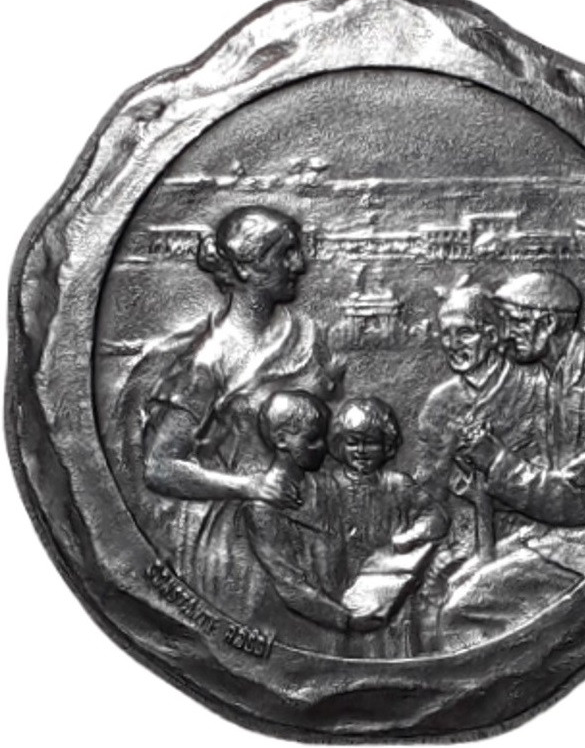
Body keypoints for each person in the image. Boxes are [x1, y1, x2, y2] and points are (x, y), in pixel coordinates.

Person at [110, 205, 342, 622]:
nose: (300, 265)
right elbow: (160, 467)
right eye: (285, 253)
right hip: (237, 544)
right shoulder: (208, 360)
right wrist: (250, 486)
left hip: (310, 525)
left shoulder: (309, 335)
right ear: (248, 268)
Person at [441, 270, 585, 646]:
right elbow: (541, 478)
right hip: (558, 535)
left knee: (462, 609)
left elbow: (575, 502)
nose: (503, 336)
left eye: (513, 323)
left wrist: (497, 460)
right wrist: (480, 466)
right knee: (455, 582)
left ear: (548, 324)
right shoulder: (551, 376)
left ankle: (506, 678)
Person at [414, 284, 546, 647]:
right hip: (461, 534)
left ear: (491, 335)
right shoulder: (439, 404)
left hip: (528, 534)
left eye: (465, 333)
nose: (453, 344)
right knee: (431, 598)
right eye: (446, 334)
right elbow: (428, 487)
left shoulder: (535, 389)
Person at [326, 396, 449, 657]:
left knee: (389, 642)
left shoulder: (398, 484)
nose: (361, 450)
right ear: (339, 444)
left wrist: (410, 536)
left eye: (371, 442)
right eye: (353, 442)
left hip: (389, 581)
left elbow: (436, 517)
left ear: (387, 445)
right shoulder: (329, 486)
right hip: (342, 577)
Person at [240, 390, 356, 653]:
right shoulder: (261, 509)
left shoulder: (326, 486)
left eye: (323, 438)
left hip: (340, 612)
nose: (323, 447)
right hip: (295, 634)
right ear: (282, 440)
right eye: (312, 439)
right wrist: (348, 620)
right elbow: (290, 585)